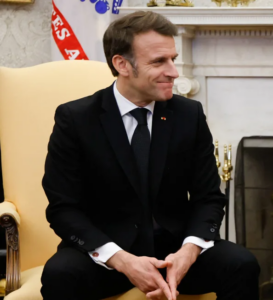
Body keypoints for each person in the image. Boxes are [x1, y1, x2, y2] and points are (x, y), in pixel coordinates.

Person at [41, 11, 260, 300]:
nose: (174, 71)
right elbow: (63, 208)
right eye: (159, 61)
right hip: (106, 255)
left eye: (173, 58)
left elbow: (208, 197)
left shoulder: (189, 115)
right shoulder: (76, 119)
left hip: (176, 251)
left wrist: (190, 250)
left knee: (241, 264)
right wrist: (121, 259)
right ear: (122, 64)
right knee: (60, 274)